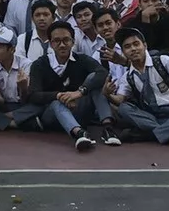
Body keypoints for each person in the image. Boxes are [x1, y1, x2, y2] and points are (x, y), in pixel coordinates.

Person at [22, 21, 109, 150]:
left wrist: (80, 92)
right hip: (53, 116)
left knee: (94, 79)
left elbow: (102, 72)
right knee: (56, 103)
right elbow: (33, 95)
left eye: (66, 40)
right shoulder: (39, 64)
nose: (62, 45)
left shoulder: (82, 59)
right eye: (57, 41)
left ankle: (108, 128)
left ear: (73, 42)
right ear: (51, 44)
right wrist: (59, 96)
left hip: (79, 109)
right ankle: (79, 134)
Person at [108, 27, 169, 145]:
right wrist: (107, 94)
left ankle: (147, 135)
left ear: (145, 46)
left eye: (136, 44)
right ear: (123, 52)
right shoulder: (128, 76)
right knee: (124, 108)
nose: (133, 49)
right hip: (152, 116)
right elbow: (120, 99)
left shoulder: (162, 61)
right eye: (127, 47)